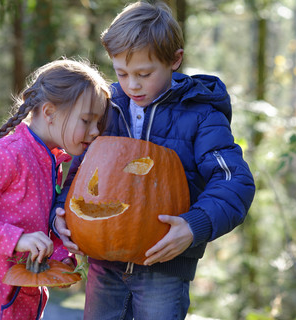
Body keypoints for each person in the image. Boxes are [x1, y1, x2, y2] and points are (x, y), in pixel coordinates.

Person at [53, 2, 255, 319]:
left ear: (175, 60)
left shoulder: (201, 115)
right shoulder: (106, 106)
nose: (132, 84)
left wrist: (194, 225)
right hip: (103, 265)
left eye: (144, 74)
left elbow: (234, 182)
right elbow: (81, 174)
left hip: (165, 263)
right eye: (122, 73)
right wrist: (61, 213)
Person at [0, 58, 111, 320]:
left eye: (98, 123)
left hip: (18, 308)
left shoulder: (52, 161)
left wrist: (61, 258)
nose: (96, 131)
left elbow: (36, 224)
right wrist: (16, 239)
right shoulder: (7, 154)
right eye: (87, 121)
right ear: (50, 112)